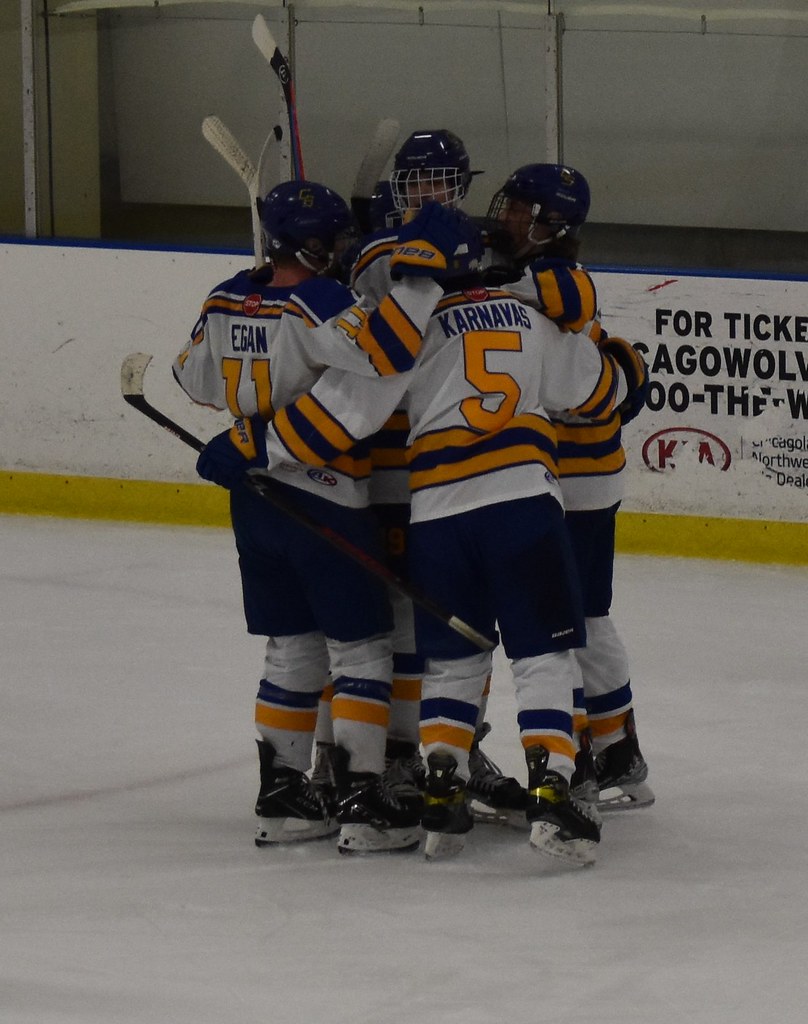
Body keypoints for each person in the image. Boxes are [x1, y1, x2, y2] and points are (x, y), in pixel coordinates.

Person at [209, 204, 645, 866]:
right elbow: (601, 392)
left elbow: (342, 415)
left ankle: (442, 792)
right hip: (522, 509)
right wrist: (625, 363)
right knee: (543, 657)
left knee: (452, 661)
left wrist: (253, 442)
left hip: (437, 518)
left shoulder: (410, 331)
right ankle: (554, 790)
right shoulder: (528, 317)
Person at [175, 181, 460, 854]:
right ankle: (363, 801)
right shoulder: (323, 300)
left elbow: (193, 379)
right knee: (362, 648)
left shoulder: (222, 298)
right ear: (309, 244)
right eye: (331, 240)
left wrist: (260, 365)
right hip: (325, 496)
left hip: (253, 500)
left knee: (292, 647)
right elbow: (388, 352)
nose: (339, 250)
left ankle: (282, 798)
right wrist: (417, 282)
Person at [348, 130, 528, 825]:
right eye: (415, 180)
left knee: (469, 620)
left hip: (465, 466)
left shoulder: (479, 249)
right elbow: (384, 307)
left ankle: (459, 749)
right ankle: (399, 757)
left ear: (460, 185)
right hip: (392, 465)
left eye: (438, 180)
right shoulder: (377, 253)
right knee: (403, 615)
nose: (426, 192)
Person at [485, 163, 655, 812]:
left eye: (518, 208)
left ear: (550, 224)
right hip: (578, 473)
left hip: (576, 477)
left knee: (572, 620)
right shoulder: (537, 271)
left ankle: (593, 755)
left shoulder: (556, 277)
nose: (504, 215)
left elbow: (562, 302)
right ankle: (614, 749)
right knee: (583, 615)